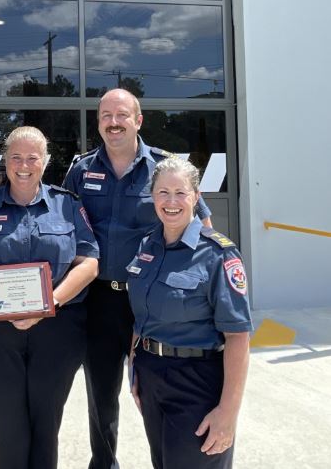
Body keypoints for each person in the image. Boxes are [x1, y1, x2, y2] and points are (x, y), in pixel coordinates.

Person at [63, 87, 213, 469]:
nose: (114, 124)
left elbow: (202, 225)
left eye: (122, 116)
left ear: (138, 120)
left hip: (151, 301)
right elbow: (62, 229)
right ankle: (104, 464)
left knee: (154, 391)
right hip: (98, 301)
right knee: (101, 394)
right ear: (98, 122)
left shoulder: (163, 168)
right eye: (106, 117)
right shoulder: (81, 170)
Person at [0, 126, 99, 469]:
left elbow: (89, 262)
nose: (24, 165)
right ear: (5, 161)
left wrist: (50, 302)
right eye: (16, 157)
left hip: (58, 330)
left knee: (46, 423)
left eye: (32, 157)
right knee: (7, 426)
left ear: (45, 162)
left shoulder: (67, 205)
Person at [127, 155, 252, 468]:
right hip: (151, 375)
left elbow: (237, 336)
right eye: (163, 193)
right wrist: (134, 370)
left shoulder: (218, 254)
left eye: (180, 193)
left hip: (197, 383)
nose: (171, 202)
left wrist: (228, 413)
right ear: (152, 197)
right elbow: (141, 316)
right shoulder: (147, 246)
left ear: (196, 197)